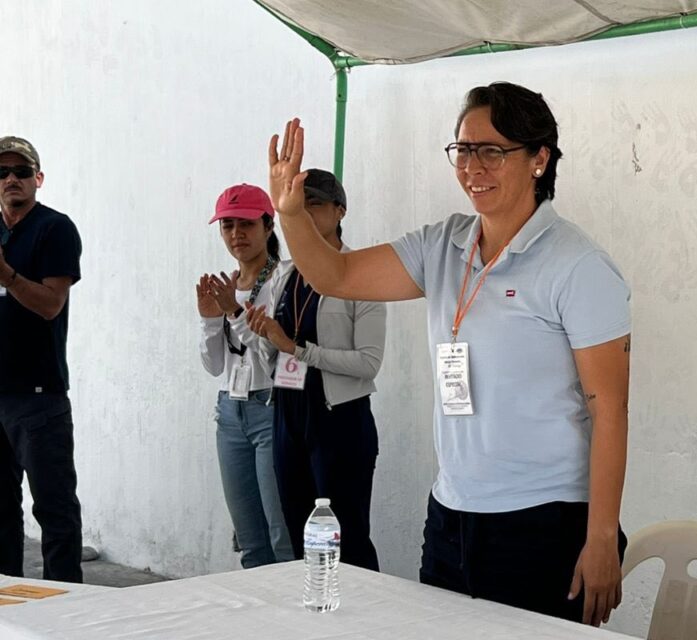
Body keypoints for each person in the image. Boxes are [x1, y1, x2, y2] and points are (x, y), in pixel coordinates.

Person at [264, 81, 631, 626]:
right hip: (452, 514)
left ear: (539, 159)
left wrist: (600, 537)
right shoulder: (443, 244)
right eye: (463, 149)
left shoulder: (578, 265)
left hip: (545, 519)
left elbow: (610, 409)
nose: (472, 167)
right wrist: (291, 213)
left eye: (492, 151)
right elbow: (335, 274)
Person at [241, 169, 386, 571]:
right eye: (299, 207)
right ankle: (314, 607)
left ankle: (360, 612)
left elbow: (369, 363)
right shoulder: (284, 274)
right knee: (300, 535)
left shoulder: (361, 272)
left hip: (338, 418)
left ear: (340, 211)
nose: (305, 215)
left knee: (346, 539)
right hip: (287, 413)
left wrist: (298, 350)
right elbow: (270, 354)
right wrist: (263, 336)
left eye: (316, 205)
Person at [0, 136, 84, 582]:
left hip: (38, 396)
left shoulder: (55, 229)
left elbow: (51, 304)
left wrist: (7, 275)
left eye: (21, 171)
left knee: (54, 510)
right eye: (2, 172)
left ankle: (68, 605)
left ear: (38, 178)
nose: (11, 179)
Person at [197, 183, 292, 568]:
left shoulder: (285, 278)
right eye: (228, 225)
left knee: (281, 533)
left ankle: (292, 606)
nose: (236, 234)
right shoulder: (227, 285)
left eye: (247, 224)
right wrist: (209, 319)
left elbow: (278, 357)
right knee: (250, 538)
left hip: (272, 405)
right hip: (230, 411)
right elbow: (214, 366)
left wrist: (234, 314)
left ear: (268, 227)